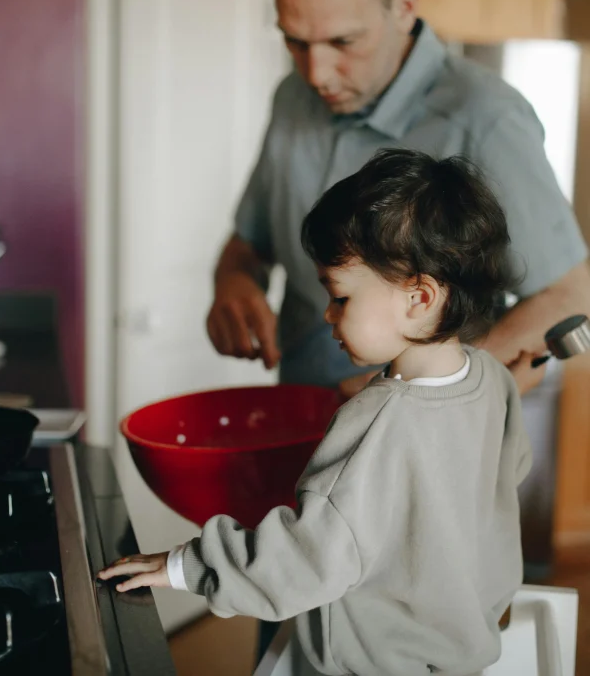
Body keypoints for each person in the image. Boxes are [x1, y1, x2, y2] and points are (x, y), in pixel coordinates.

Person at [99, 149, 532, 676]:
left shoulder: (373, 425)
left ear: (419, 298)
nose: (327, 314)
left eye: (341, 297)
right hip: (463, 649)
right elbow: (504, 478)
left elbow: (306, 559)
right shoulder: (493, 380)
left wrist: (185, 566)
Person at [206, 0, 590, 399]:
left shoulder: (486, 118)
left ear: (404, 6)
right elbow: (248, 245)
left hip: (423, 450)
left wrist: (411, 393)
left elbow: (570, 295)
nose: (317, 74)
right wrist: (233, 283)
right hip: (304, 422)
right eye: (295, 42)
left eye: (343, 41)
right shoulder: (292, 98)